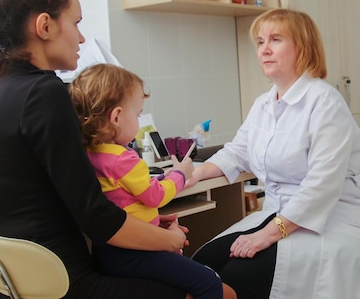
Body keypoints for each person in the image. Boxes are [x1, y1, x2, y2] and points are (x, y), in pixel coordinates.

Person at [0, 0, 194, 298]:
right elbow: (95, 216)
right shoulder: (43, 92)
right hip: (65, 280)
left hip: (23, 279)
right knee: (208, 290)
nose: (81, 38)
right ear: (45, 26)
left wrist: (145, 224)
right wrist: (169, 239)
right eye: (75, 23)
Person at [189, 8, 360, 298]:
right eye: (260, 41)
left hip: (331, 219)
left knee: (238, 276)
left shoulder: (325, 103)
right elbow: (238, 152)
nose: (264, 49)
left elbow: (321, 187)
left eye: (275, 39)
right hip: (277, 214)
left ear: (302, 47)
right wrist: (192, 174)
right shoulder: (263, 104)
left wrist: (266, 235)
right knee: (201, 267)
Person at [69, 63, 236, 299]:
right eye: (137, 115)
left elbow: (128, 192)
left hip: (108, 253)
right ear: (117, 116)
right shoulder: (123, 158)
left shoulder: (91, 152)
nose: (138, 121)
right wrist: (180, 175)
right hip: (135, 252)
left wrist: (162, 179)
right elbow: (154, 195)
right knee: (209, 282)